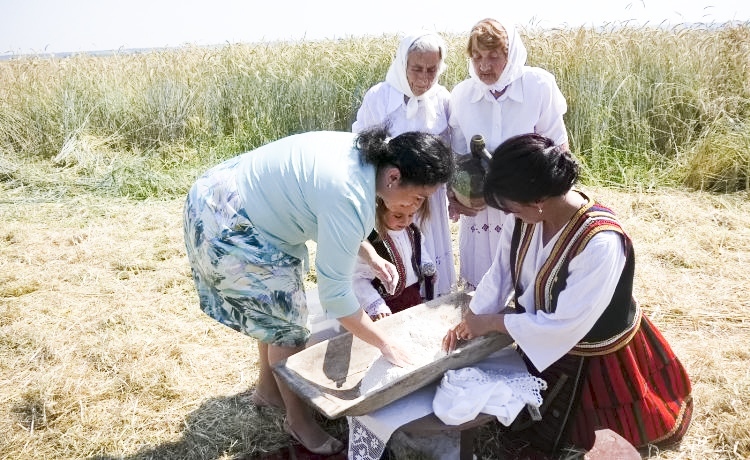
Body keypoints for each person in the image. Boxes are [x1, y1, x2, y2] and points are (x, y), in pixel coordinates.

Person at [183, 127, 454, 455]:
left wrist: (370, 255)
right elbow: (336, 295)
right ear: (394, 177)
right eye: (419, 198)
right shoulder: (348, 193)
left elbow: (325, 214)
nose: (416, 207)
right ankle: (298, 421)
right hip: (230, 220)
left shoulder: (369, 160)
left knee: (275, 311)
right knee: (290, 329)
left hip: (220, 191)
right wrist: (385, 343)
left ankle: (268, 391)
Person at [443, 134, 692, 455]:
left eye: (512, 208)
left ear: (538, 201)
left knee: (590, 443)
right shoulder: (526, 217)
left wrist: (493, 322)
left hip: (594, 353)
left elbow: (564, 326)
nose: (508, 215)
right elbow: (500, 274)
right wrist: (473, 318)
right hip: (541, 339)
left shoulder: (600, 242)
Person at [448, 18, 569, 290]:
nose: (484, 66)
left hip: (528, 206)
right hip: (481, 212)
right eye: (477, 56)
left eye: (493, 56)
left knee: (529, 282)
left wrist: (555, 204)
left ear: (510, 53)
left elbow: (559, 149)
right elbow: (456, 155)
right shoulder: (462, 95)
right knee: (482, 288)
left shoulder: (537, 86)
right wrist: (457, 197)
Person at [352, 31, 456, 299]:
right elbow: (362, 146)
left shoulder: (442, 98)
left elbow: (452, 148)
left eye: (431, 70)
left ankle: (432, 300)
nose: (424, 78)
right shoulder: (380, 97)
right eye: (417, 68)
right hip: (393, 196)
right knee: (398, 253)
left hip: (430, 198)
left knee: (430, 253)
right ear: (403, 64)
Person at [353, 197, 436, 321]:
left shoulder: (412, 231)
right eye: (398, 216)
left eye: (411, 215)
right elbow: (358, 279)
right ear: (380, 209)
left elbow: (419, 250)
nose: (405, 221)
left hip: (413, 297)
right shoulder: (370, 241)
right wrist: (374, 304)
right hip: (385, 306)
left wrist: (426, 265)